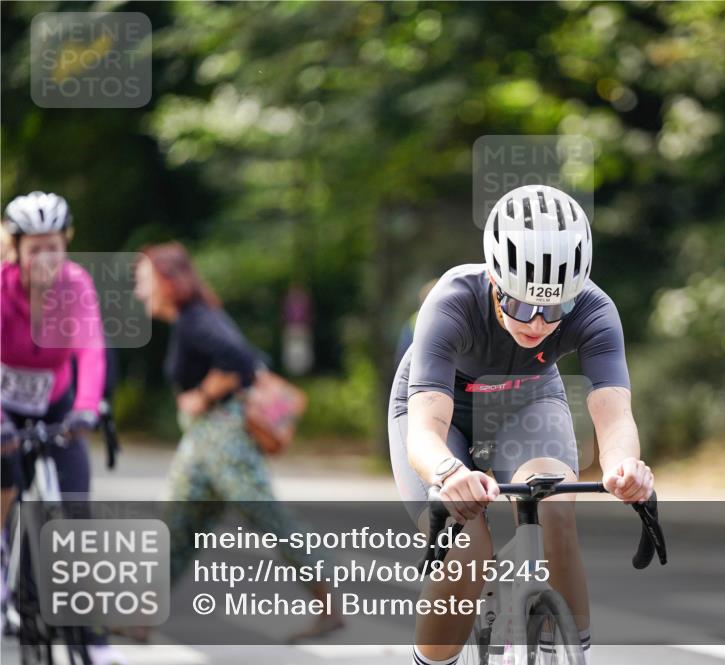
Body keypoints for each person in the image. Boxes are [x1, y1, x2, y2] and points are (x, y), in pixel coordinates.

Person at [389, 184, 655, 665]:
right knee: (465, 548)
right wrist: (449, 474)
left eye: (553, 309)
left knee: (555, 507)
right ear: (494, 278)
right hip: (440, 411)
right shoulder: (451, 300)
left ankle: (575, 653)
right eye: (518, 304)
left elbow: (614, 417)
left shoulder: (594, 310)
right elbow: (426, 431)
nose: (535, 322)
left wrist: (625, 467)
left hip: (527, 402)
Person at [132, 242, 344, 642]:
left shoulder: (196, 319)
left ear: (166, 280)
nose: (140, 291)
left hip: (222, 437)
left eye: (144, 281)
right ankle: (139, 618)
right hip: (203, 441)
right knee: (176, 524)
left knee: (267, 516)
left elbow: (242, 360)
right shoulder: (192, 317)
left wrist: (203, 395)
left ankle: (329, 603)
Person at [0, 191, 124, 665]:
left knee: (76, 517)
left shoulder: (76, 284)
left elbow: (90, 347)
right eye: (36, 249)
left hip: (57, 406)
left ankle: (92, 640)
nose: (47, 258)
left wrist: (87, 409)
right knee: (5, 492)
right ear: (17, 251)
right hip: (5, 408)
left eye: (55, 246)